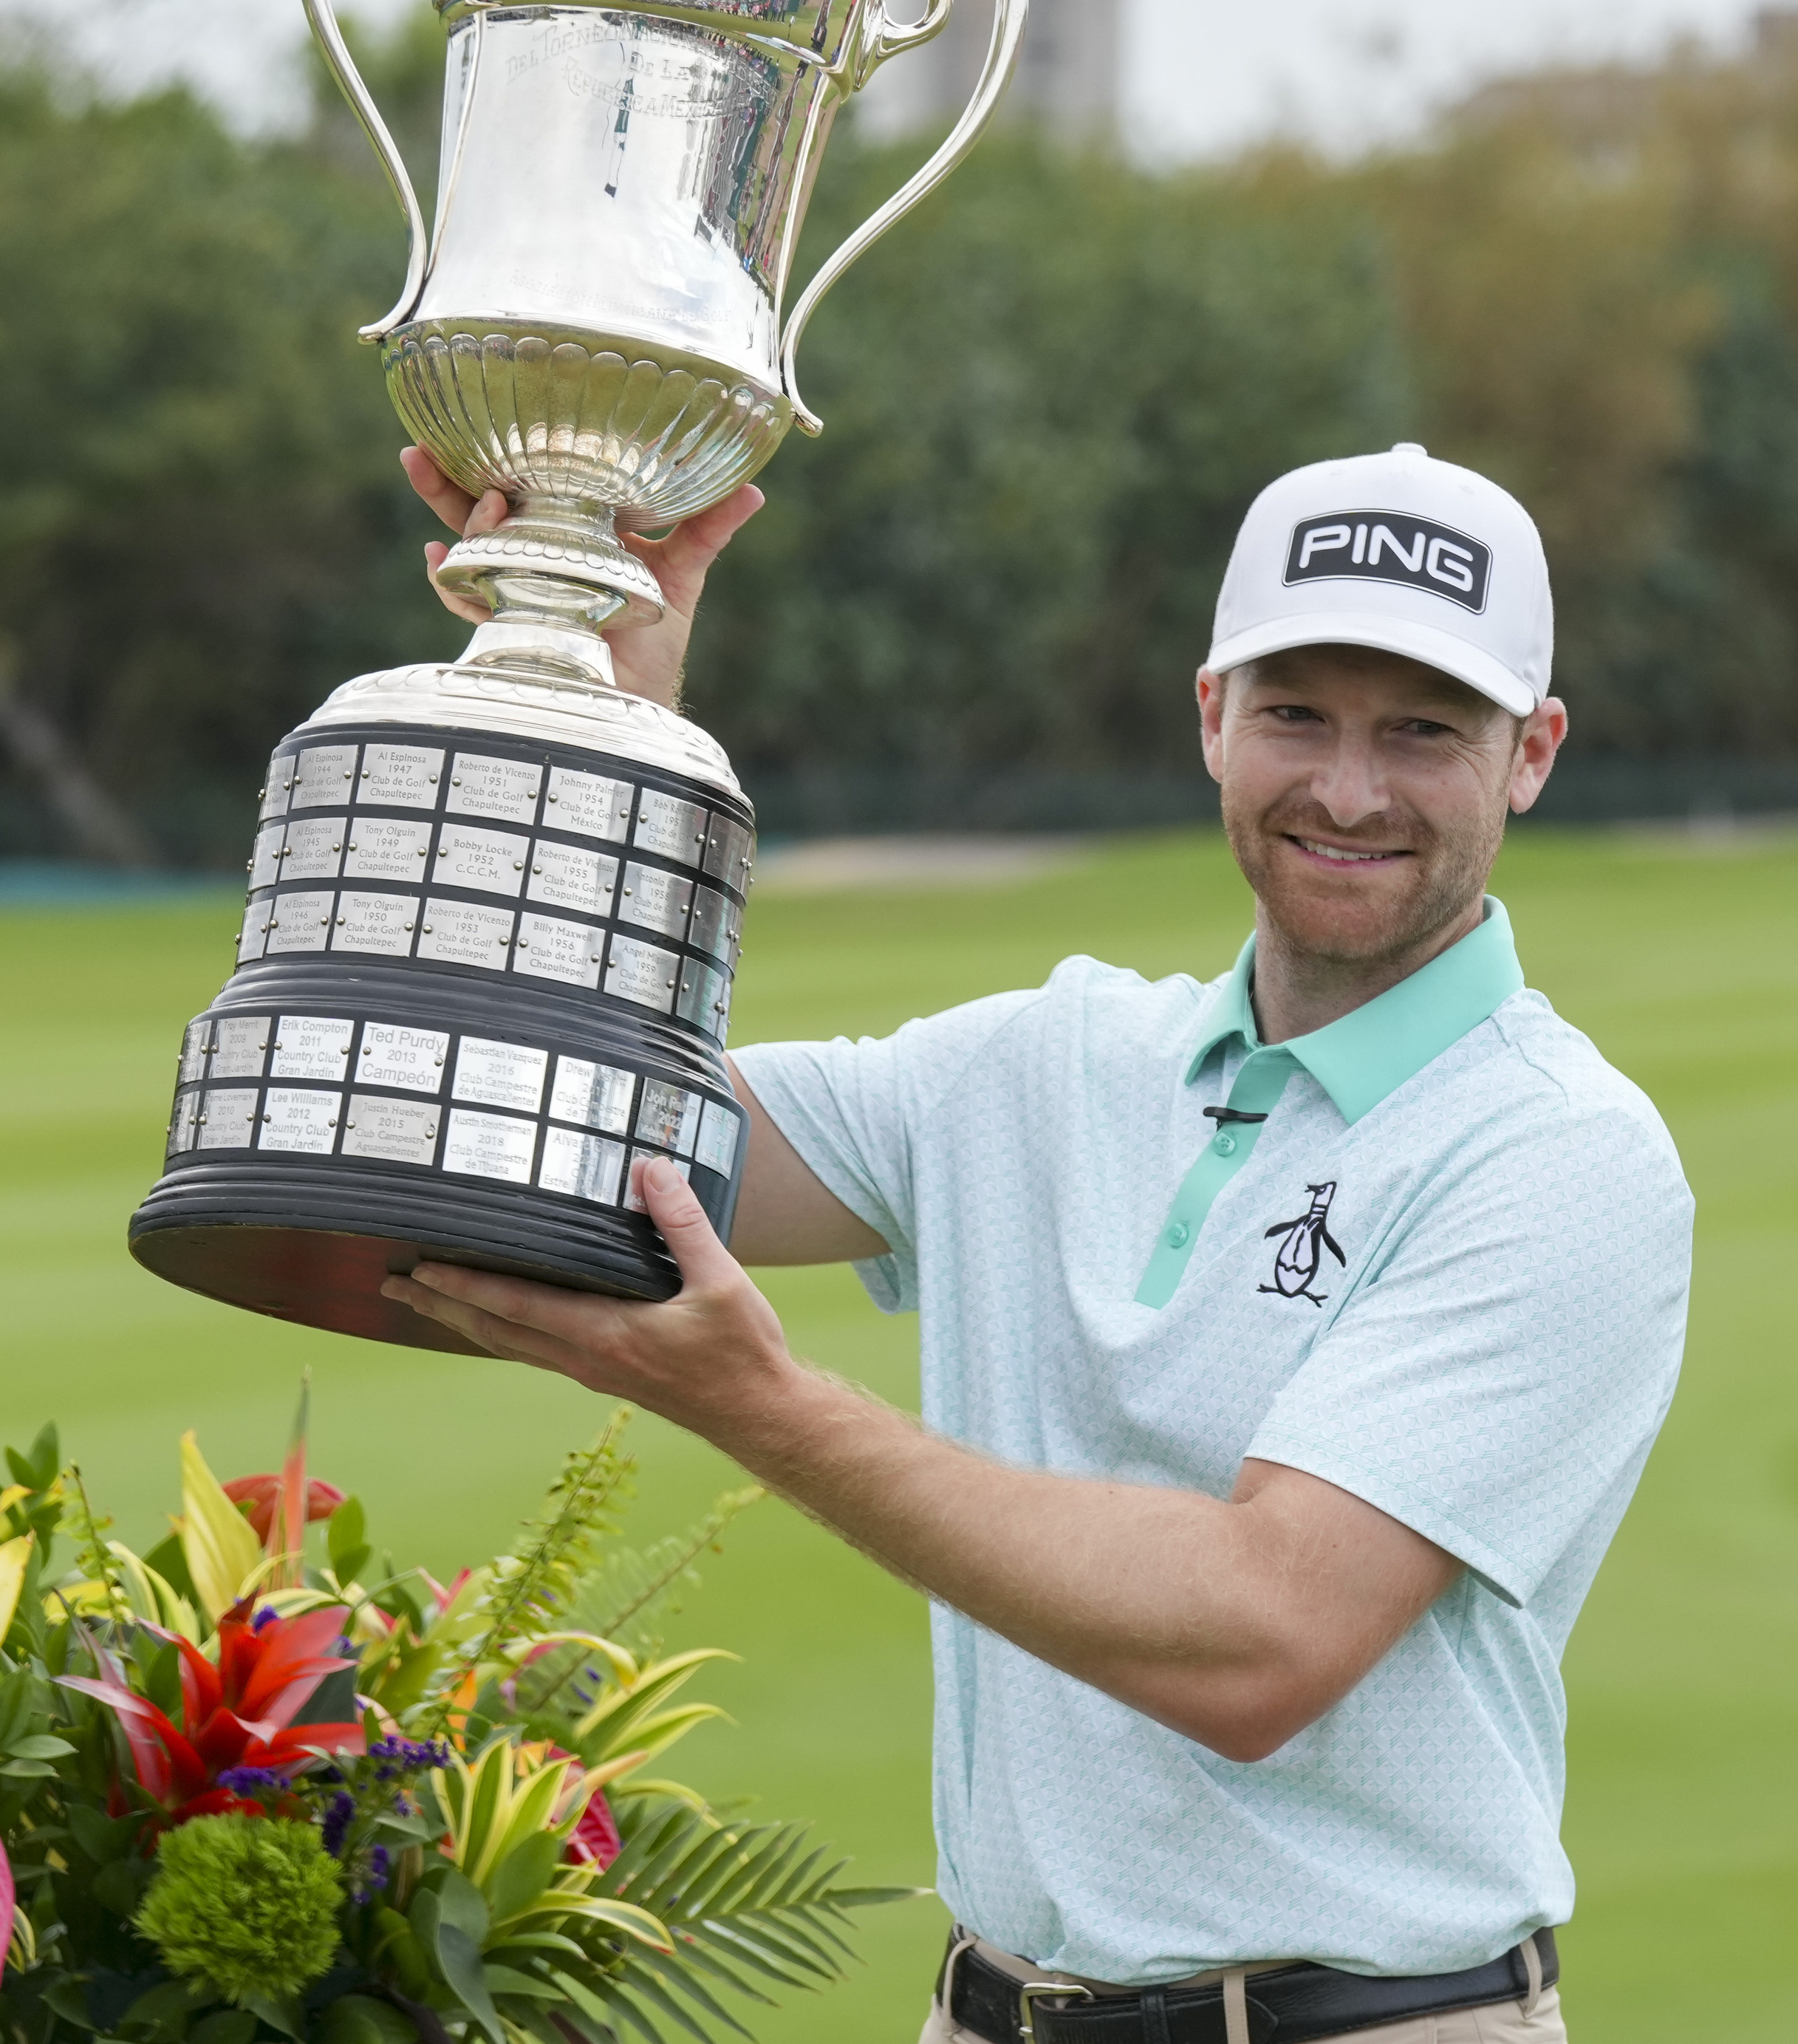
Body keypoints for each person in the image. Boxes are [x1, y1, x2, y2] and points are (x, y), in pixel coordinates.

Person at [383, 442, 1693, 2044]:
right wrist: (606, 697)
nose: (1348, 788)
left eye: (1420, 730)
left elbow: (1259, 1640)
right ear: (1210, 712)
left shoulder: (1557, 1151)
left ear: (1531, 752)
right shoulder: (1045, 1062)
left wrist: (763, 1405)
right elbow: (575, 1138)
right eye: (1298, 713)